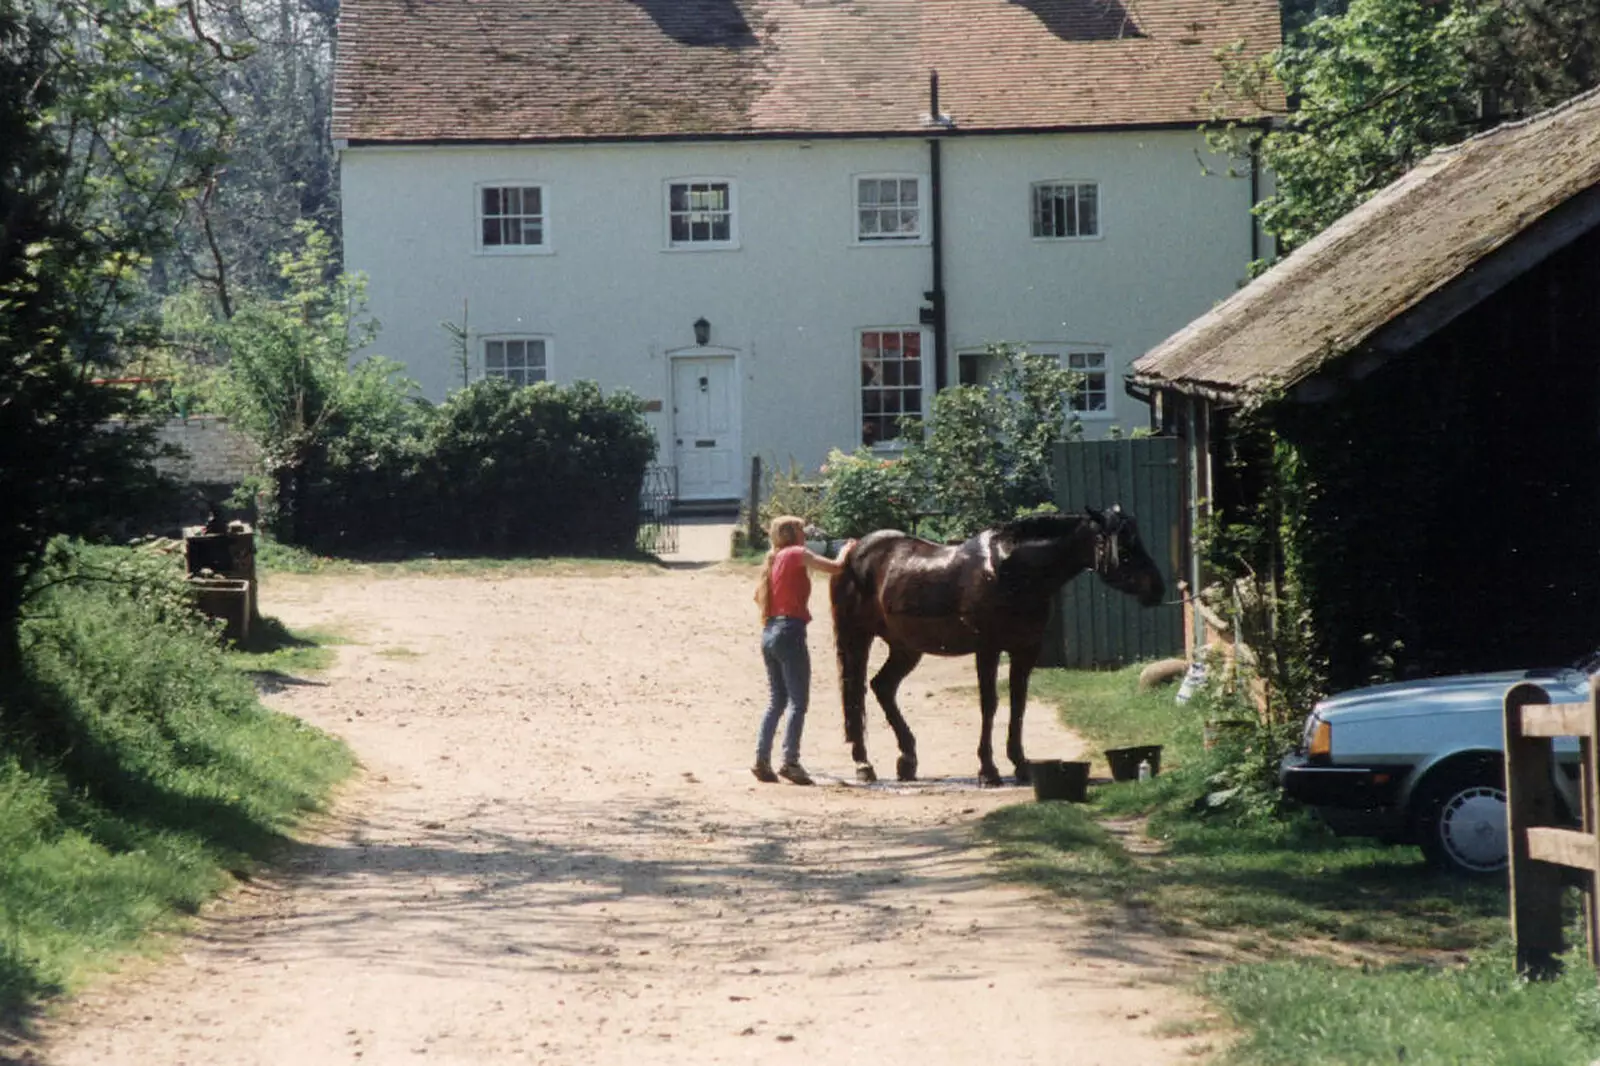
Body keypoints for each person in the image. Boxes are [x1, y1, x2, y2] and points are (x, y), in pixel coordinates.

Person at [752, 516, 853, 785]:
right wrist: (847, 548)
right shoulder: (796, 553)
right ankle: (790, 761)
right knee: (798, 702)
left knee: (776, 701)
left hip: (770, 632)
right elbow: (837, 567)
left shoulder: (774, 559)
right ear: (790, 533)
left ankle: (762, 759)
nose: (805, 533)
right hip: (790, 631)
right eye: (800, 529)